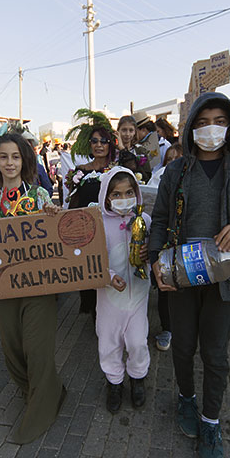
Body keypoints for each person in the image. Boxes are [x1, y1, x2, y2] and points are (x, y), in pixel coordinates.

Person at [149, 92, 230, 458]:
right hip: (182, 276)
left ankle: (211, 421)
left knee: (215, 354)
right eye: (201, 122)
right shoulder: (177, 171)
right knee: (183, 347)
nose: (209, 129)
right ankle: (186, 397)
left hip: (223, 280)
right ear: (189, 127)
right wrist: (155, 262)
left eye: (218, 120)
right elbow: (162, 219)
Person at [0, 132, 67, 444]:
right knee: (12, 348)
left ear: (24, 160)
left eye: (15, 156)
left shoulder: (41, 196)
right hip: (6, 288)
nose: (10, 162)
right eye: (3, 157)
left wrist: (54, 216)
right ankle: (41, 390)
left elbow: (58, 235)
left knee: (38, 348)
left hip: (40, 285)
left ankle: (41, 410)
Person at [96, 167, 152, 413]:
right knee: (108, 342)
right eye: (116, 194)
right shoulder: (98, 223)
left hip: (138, 296)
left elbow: (156, 251)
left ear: (137, 193)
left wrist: (149, 253)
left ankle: (138, 378)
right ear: (107, 196)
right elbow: (91, 260)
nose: (123, 198)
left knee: (138, 341)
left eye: (129, 192)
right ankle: (114, 382)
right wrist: (108, 277)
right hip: (109, 298)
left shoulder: (145, 221)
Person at [66, 111, 118, 317]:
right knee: (90, 270)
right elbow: (74, 201)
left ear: (109, 145)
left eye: (103, 141)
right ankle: (93, 312)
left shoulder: (116, 170)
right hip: (86, 230)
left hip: (111, 229)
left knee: (110, 269)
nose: (98, 145)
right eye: (94, 141)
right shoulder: (79, 171)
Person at [147, 142, 182, 354]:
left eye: (178, 160)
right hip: (165, 240)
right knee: (165, 287)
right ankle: (167, 328)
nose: (173, 164)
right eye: (170, 160)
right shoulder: (160, 177)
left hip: (185, 244)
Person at [116, 115, 152, 183]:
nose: (127, 134)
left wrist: (123, 150)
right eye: (124, 130)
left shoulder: (141, 151)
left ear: (135, 132)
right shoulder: (112, 151)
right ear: (118, 131)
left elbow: (147, 176)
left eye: (131, 130)